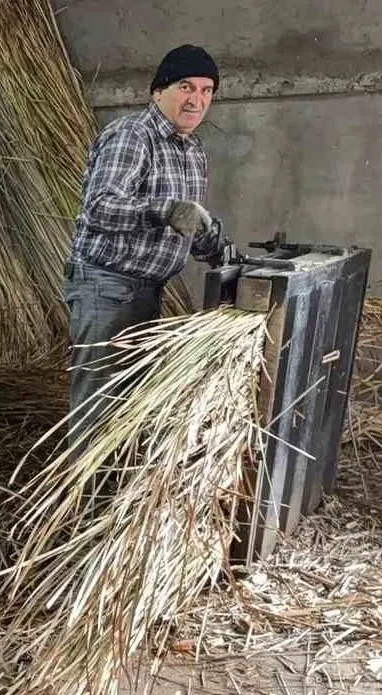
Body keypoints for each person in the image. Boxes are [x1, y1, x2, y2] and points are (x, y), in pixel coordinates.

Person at [63, 44, 229, 439]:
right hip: (107, 288)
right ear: (158, 91)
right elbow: (100, 208)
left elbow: (187, 223)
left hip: (147, 291)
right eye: (186, 87)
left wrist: (216, 246)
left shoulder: (192, 150)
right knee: (99, 406)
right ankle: (88, 480)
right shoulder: (133, 135)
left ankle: (115, 477)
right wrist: (165, 211)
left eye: (206, 90)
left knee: (128, 404)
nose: (196, 100)